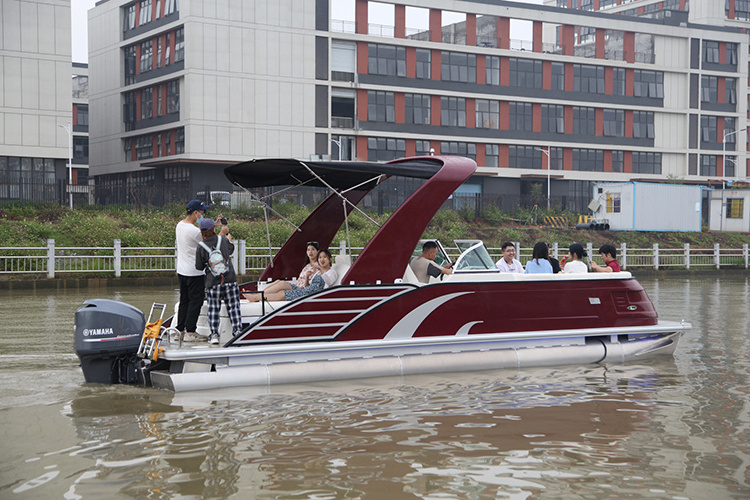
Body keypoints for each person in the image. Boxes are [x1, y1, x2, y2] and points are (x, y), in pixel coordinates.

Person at [195, 217, 241, 345]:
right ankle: (237, 331)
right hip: (230, 279)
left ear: (201, 232)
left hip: (212, 282)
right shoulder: (223, 240)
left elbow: (198, 267)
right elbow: (231, 250)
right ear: (214, 229)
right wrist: (229, 241)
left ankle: (214, 334)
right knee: (233, 306)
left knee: (214, 308)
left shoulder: (201, 246)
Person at [175, 199, 210, 342]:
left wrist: (214, 225)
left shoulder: (180, 225)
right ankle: (190, 331)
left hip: (182, 271)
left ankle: (179, 330)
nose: (202, 216)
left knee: (184, 300)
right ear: (195, 213)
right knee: (196, 301)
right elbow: (211, 242)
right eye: (201, 213)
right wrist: (223, 233)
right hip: (195, 272)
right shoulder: (194, 231)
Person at [247, 249, 338, 302]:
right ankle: (259, 293)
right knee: (281, 283)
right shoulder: (317, 272)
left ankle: (256, 298)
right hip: (305, 291)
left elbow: (329, 282)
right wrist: (306, 278)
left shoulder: (332, 272)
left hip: (311, 295)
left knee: (282, 294)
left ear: (330, 259)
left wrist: (321, 269)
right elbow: (308, 286)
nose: (322, 259)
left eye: (325, 257)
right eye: (320, 257)